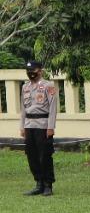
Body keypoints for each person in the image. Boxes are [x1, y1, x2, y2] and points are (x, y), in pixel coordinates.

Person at [20, 60, 57, 196]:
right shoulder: (25, 87)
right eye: (28, 72)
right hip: (29, 125)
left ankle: (48, 185)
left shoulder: (48, 86)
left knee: (45, 155)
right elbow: (23, 108)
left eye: (33, 71)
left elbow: (53, 107)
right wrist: (22, 126)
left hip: (43, 125)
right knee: (32, 155)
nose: (31, 74)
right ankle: (38, 183)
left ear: (40, 71)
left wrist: (51, 126)